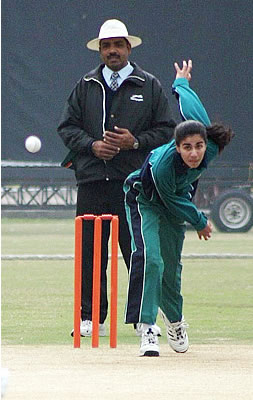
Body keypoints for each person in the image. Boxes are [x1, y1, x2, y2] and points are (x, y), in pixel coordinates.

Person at [57, 19, 175, 337]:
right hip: (93, 181)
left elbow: (167, 130)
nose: (112, 51)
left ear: (128, 47)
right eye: (106, 46)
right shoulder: (86, 85)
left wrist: (133, 142)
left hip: (133, 183)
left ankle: (142, 317)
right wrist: (92, 146)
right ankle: (89, 317)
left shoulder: (147, 85)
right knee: (91, 252)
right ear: (100, 50)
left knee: (136, 250)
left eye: (118, 45)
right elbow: (67, 128)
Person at [123, 60, 234, 356]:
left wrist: (181, 83)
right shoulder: (163, 166)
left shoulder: (208, 146)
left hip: (174, 202)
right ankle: (146, 327)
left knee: (171, 270)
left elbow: (192, 109)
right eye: (187, 147)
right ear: (177, 147)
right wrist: (199, 220)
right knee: (152, 259)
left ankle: (174, 320)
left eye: (198, 146)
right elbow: (171, 199)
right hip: (144, 199)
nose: (195, 153)